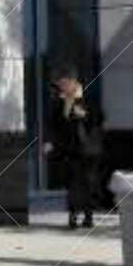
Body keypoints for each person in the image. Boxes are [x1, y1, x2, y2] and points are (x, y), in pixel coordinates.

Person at [48, 71, 105, 229]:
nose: (63, 89)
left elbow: (98, 120)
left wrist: (84, 114)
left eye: (66, 85)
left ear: (75, 84)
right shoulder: (61, 103)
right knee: (72, 183)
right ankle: (73, 216)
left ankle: (88, 216)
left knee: (88, 183)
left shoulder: (89, 100)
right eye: (62, 86)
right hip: (70, 150)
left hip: (89, 151)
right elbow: (56, 124)